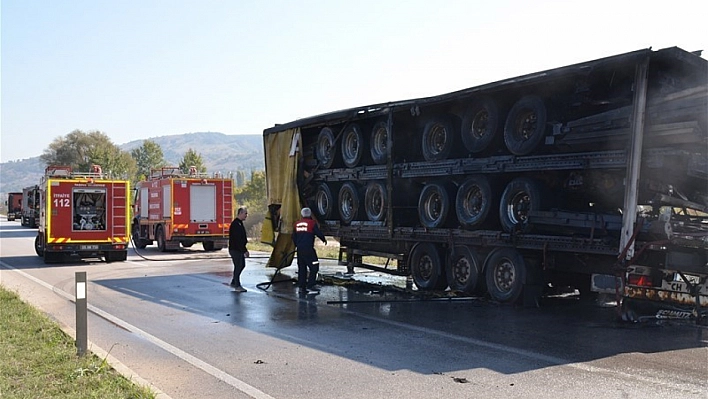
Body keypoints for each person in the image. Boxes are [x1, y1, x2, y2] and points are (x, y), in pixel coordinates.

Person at [292, 207, 327, 295]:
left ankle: (301, 287)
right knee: (314, 266)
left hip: (300, 250)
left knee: (302, 268)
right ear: (310, 214)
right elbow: (318, 232)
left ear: (302, 214)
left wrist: (297, 245)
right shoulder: (312, 223)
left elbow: (293, 236)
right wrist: (323, 239)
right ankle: (311, 285)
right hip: (309, 249)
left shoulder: (297, 224)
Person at [228, 207, 249, 292]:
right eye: (245, 213)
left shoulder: (239, 223)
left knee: (241, 265)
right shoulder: (236, 224)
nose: (246, 215)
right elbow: (238, 239)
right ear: (240, 213)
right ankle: (237, 286)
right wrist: (244, 250)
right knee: (238, 266)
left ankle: (234, 281)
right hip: (235, 249)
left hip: (238, 249)